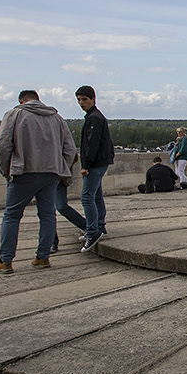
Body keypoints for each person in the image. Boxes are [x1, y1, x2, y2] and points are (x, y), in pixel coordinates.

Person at [0, 90, 77, 273]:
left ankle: (6, 261)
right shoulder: (56, 118)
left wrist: (6, 170)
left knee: (12, 215)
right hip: (50, 173)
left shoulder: (14, 114)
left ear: (21, 100)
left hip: (24, 171)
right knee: (47, 215)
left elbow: (3, 145)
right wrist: (61, 168)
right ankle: (43, 257)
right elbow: (70, 149)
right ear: (38, 100)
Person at [75, 86, 113, 251]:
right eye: (79, 100)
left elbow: (92, 143)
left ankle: (92, 232)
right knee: (96, 196)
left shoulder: (94, 118)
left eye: (84, 99)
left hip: (95, 163)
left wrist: (86, 165)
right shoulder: (95, 116)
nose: (81, 103)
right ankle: (99, 227)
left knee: (87, 198)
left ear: (93, 99)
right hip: (100, 162)